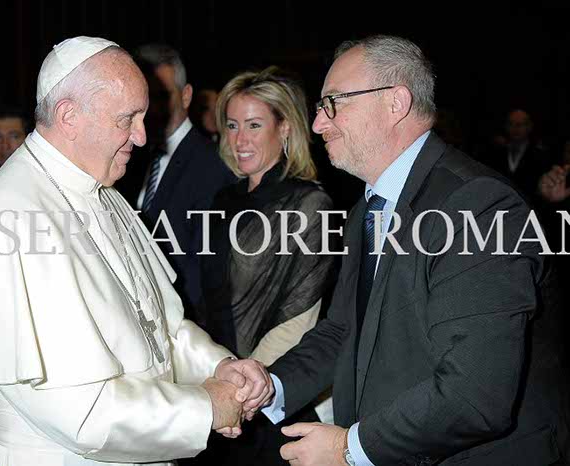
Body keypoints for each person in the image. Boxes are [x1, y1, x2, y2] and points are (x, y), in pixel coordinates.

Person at [0, 36, 273, 466]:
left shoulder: (103, 191)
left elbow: (159, 326)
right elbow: (81, 415)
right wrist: (205, 408)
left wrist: (219, 369)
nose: (143, 137)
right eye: (127, 119)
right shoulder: (11, 216)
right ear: (69, 116)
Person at [261, 35, 569, 465]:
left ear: (395, 102)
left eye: (333, 102)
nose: (318, 124)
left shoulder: (477, 204)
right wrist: (270, 384)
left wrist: (349, 448)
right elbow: (344, 331)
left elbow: (474, 395)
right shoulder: (365, 211)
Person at [196, 67, 338, 465]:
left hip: (271, 399)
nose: (240, 139)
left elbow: (301, 315)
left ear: (286, 128)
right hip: (219, 393)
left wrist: (245, 390)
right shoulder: (224, 199)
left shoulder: (310, 204)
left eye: (254, 125)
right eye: (232, 125)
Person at [122, 44, 236, 323]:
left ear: (186, 97)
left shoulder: (211, 165)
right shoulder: (130, 158)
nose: (151, 108)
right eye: (145, 97)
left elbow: (205, 270)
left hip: (183, 327)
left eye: (162, 96)